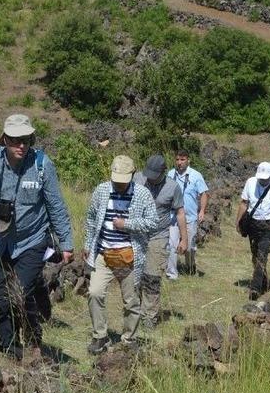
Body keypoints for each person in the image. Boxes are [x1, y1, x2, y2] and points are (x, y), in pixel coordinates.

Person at [0, 114, 74, 361]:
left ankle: (33, 340)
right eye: (14, 140)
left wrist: (66, 243)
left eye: (25, 139)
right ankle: (8, 347)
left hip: (32, 240)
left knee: (19, 292)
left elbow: (56, 206)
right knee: (3, 298)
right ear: (4, 139)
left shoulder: (43, 166)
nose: (21, 145)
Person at [85, 155, 158, 355]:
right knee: (95, 292)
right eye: (116, 180)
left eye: (123, 181)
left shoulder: (142, 194)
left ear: (133, 175)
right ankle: (100, 336)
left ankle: (129, 339)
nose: (119, 185)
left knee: (131, 300)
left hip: (130, 254)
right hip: (103, 253)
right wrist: (87, 243)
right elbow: (91, 218)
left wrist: (127, 224)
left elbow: (153, 222)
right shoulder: (101, 190)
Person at [132, 154, 188, 327]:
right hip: (135, 234)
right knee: (134, 277)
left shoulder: (173, 187)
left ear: (164, 172)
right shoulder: (137, 179)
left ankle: (149, 316)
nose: (151, 179)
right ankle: (134, 311)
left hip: (158, 235)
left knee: (152, 276)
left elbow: (180, 213)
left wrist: (184, 239)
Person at [236, 161, 270, 300]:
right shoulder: (250, 182)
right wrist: (238, 222)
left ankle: (255, 289)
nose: (263, 180)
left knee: (262, 255)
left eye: (266, 178)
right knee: (255, 257)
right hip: (253, 224)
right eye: (261, 177)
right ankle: (264, 282)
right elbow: (243, 203)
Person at [167, 150, 209, 276]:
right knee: (171, 245)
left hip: (190, 217)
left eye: (182, 160)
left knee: (189, 247)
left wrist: (202, 210)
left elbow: (204, 194)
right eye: (177, 160)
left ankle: (190, 267)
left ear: (188, 160)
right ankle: (172, 274)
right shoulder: (170, 174)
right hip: (173, 217)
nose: (179, 162)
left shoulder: (196, 175)